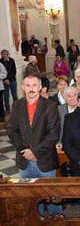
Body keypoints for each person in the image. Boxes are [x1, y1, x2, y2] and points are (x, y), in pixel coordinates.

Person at [8, 71, 62, 217]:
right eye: (28, 85)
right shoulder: (17, 105)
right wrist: (23, 149)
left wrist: (35, 152)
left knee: (51, 196)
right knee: (30, 197)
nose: (31, 89)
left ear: (40, 87)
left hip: (44, 159)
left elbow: (53, 134)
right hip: (24, 159)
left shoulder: (50, 106)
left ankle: (55, 222)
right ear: (22, 87)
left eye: (34, 85)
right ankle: (34, 225)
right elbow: (12, 131)